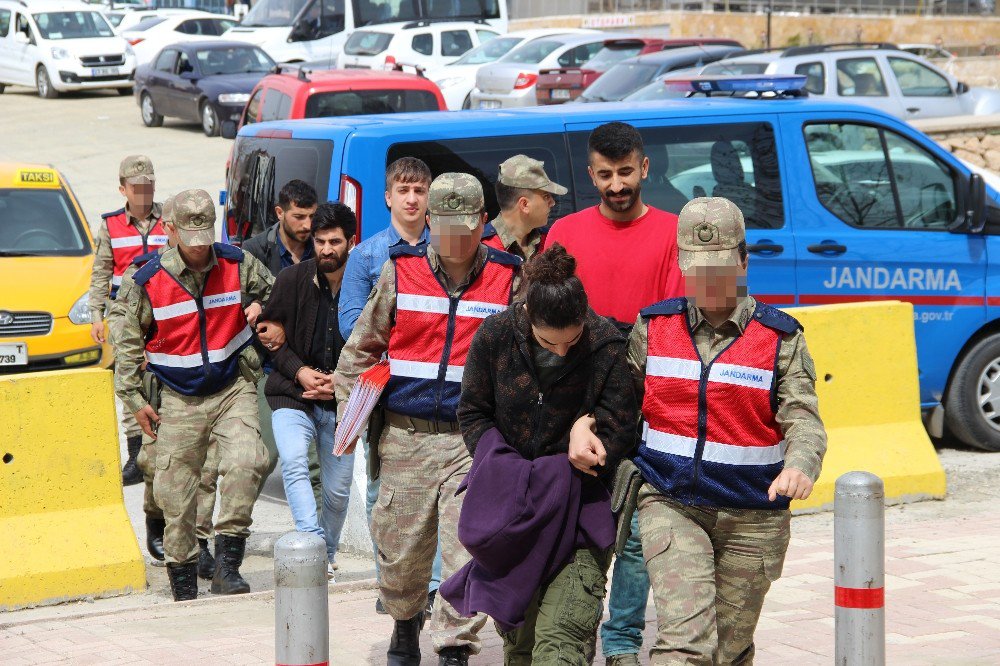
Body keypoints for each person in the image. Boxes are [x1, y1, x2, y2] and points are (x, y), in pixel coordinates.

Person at [627, 197, 827, 664]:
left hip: (752, 515)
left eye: (720, 269)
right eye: (698, 271)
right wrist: (585, 424)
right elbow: (618, 404)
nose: (709, 283)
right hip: (672, 501)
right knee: (684, 643)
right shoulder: (653, 327)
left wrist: (799, 465)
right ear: (681, 263)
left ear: (743, 260)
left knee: (729, 650)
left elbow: (803, 418)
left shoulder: (780, 338)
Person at [334, 173, 520, 666]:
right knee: (401, 549)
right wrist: (348, 419)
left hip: (472, 443)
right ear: (430, 222)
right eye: (444, 227)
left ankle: (455, 646)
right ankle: (403, 624)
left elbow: (526, 363)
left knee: (466, 550)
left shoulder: (509, 277)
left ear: (483, 222)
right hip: (405, 435)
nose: (456, 240)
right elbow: (360, 351)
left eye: (465, 227)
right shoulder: (400, 271)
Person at [453, 243, 638, 664]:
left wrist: (585, 437)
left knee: (560, 648)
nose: (561, 352)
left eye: (571, 342)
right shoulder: (495, 336)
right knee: (519, 646)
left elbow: (621, 427)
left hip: (580, 514)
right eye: (547, 343)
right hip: (515, 512)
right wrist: (507, 470)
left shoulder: (606, 345)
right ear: (526, 317)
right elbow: (473, 412)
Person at [544, 120, 684, 665]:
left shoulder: (672, 233)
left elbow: (671, 328)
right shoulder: (566, 233)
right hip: (572, 406)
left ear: (645, 168)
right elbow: (542, 322)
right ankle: (566, 634)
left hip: (646, 406)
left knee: (634, 530)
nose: (617, 184)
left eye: (626, 172)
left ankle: (622, 641)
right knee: (571, 523)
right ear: (591, 174)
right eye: (605, 174)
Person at [114, 189, 274, 602]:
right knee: (177, 491)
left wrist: (260, 306)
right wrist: (135, 401)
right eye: (190, 237)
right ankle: (183, 581)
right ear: (170, 231)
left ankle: (227, 566)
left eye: (206, 235)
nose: (201, 247)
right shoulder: (148, 281)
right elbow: (127, 344)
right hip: (177, 397)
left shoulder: (238, 264)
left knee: (248, 460)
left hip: (231, 387)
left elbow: (276, 293)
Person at [337, 156, 437, 614]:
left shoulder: (453, 248)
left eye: (420, 190)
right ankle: (391, 585)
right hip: (385, 390)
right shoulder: (367, 255)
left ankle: (434, 586)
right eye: (404, 190)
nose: (412, 199)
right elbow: (349, 324)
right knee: (384, 492)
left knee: (442, 493)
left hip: (440, 387)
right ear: (388, 196)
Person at [109, 195, 221, 578]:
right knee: (157, 463)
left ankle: (197, 540)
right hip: (159, 382)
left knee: (206, 466)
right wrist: (133, 385)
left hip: (205, 384)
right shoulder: (144, 272)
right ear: (169, 229)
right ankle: (156, 519)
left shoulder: (217, 267)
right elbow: (123, 327)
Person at [260, 202, 357, 580]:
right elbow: (266, 338)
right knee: (295, 462)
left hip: (343, 402)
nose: (326, 250)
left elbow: (382, 345)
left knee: (338, 492)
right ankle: (314, 551)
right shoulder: (291, 280)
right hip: (291, 396)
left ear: (352, 241)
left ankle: (326, 553)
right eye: (320, 242)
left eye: (335, 241)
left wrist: (341, 381)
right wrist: (299, 371)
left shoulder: (367, 285)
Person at [243, 180, 322, 509]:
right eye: (299, 217)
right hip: (264, 368)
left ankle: (320, 543)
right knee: (261, 458)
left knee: (312, 462)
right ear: (280, 213)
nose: (307, 225)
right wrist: (257, 303)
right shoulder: (253, 250)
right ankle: (232, 531)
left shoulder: (322, 249)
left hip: (304, 365)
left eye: (311, 217)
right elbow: (235, 303)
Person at [89, 155, 166, 487]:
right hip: (125, 314)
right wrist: (96, 315)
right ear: (123, 188)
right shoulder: (110, 225)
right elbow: (100, 273)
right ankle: (136, 455)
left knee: (164, 374)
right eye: (137, 188)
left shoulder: (170, 218)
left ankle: (162, 447)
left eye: (148, 186)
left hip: (164, 309)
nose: (144, 193)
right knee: (128, 375)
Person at [482, 154, 566, 261]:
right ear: (524, 204)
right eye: (546, 196)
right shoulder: (481, 249)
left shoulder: (550, 241)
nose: (552, 202)